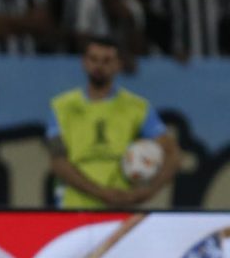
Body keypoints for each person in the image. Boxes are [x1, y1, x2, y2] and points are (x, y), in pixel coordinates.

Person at [47, 36, 180, 209]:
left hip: (120, 207)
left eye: (107, 60)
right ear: (84, 63)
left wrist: (148, 192)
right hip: (73, 207)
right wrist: (101, 193)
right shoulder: (61, 107)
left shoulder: (137, 107)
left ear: (118, 64)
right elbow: (58, 162)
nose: (99, 66)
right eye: (93, 59)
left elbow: (173, 155)